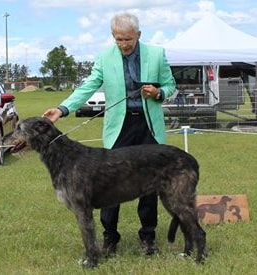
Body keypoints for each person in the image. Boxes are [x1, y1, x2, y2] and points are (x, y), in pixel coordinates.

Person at [42, 12, 176, 256]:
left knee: (150, 185)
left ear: (138, 35)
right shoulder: (105, 57)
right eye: (118, 39)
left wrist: (158, 93)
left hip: (148, 127)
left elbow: (171, 86)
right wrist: (62, 109)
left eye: (128, 39)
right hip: (119, 128)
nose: (123, 44)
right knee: (108, 182)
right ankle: (110, 238)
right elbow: (88, 86)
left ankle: (148, 237)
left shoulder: (157, 54)